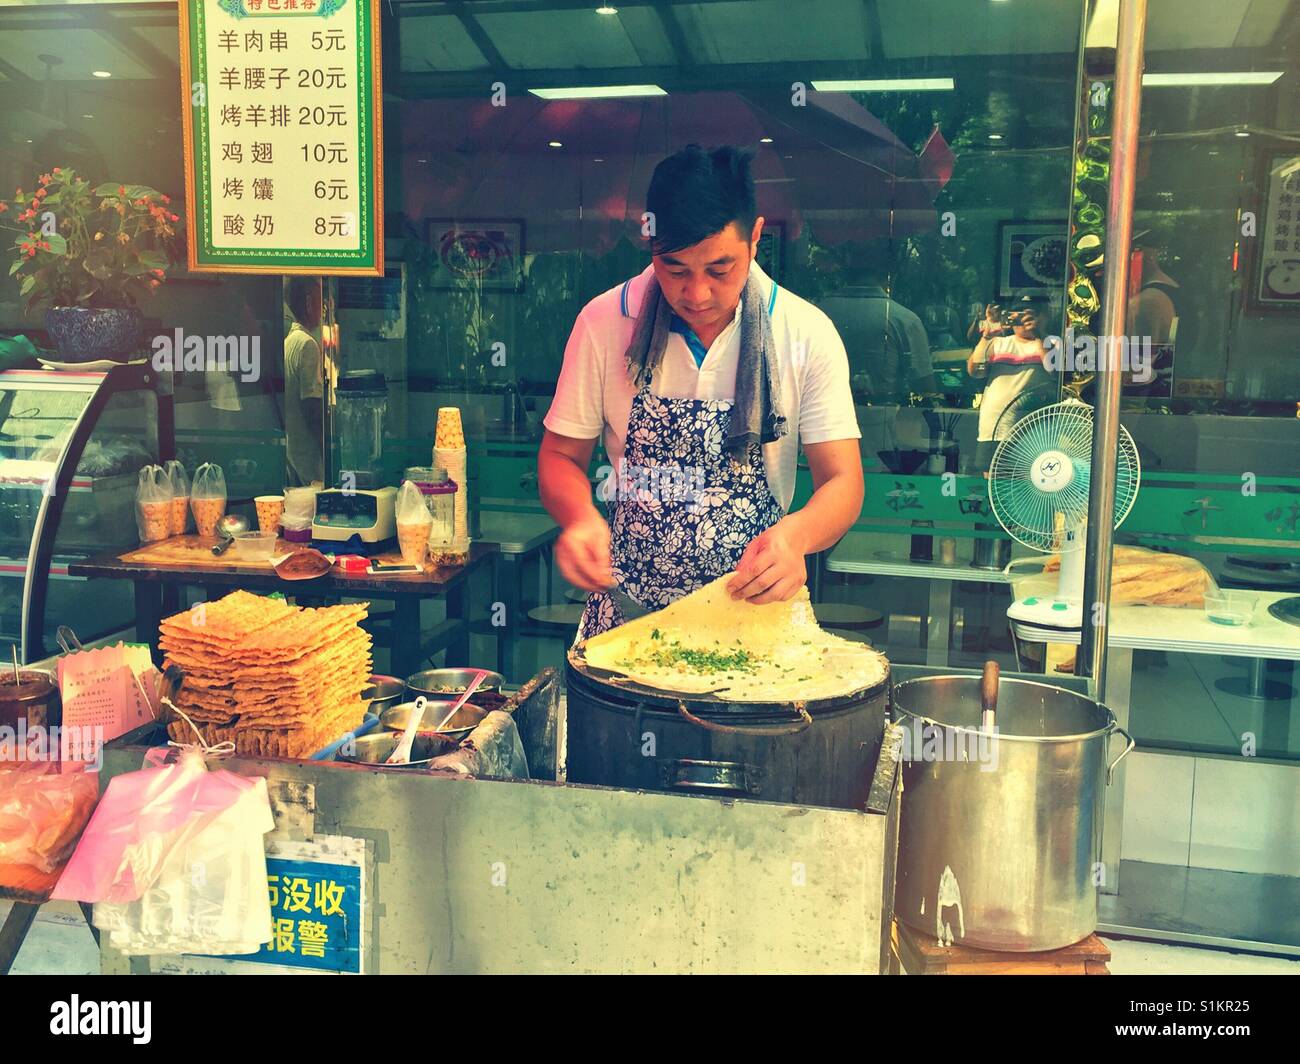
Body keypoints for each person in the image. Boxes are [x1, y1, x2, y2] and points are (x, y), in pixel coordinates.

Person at [539, 145, 864, 640]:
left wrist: (795, 538)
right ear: (650, 244)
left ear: (755, 237)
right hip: (627, 621)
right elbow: (561, 456)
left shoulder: (803, 332)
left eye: (719, 269)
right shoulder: (604, 322)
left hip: (755, 623)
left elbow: (843, 481)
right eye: (675, 270)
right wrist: (580, 517)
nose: (697, 294)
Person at [815, 247, 933, 402]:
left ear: (844, 273)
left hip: (821, 418)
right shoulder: (904, 320)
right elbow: (926, 389)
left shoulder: (817, 314)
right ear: (889, 275)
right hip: (884, 420)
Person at [967, 302, 1052, 471]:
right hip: (993, 428)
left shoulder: (1050, 343)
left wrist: (1038, 334)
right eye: (1019, 312)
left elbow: (1055, 370)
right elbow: (975, 371)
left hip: (1032, 433)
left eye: (1031, 313)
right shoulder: (998, 342)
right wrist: (987, 335)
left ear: (1044, 316)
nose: (1024, 318)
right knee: (992, 485)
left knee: (1031, 483)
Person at [283, 277, 325, 486]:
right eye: (320, 299)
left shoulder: (289, 341)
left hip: (293, 449)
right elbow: (312, 406)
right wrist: (325, 446)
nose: (324, 306)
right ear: (309, 302)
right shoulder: (307, 345)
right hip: (308, 452)